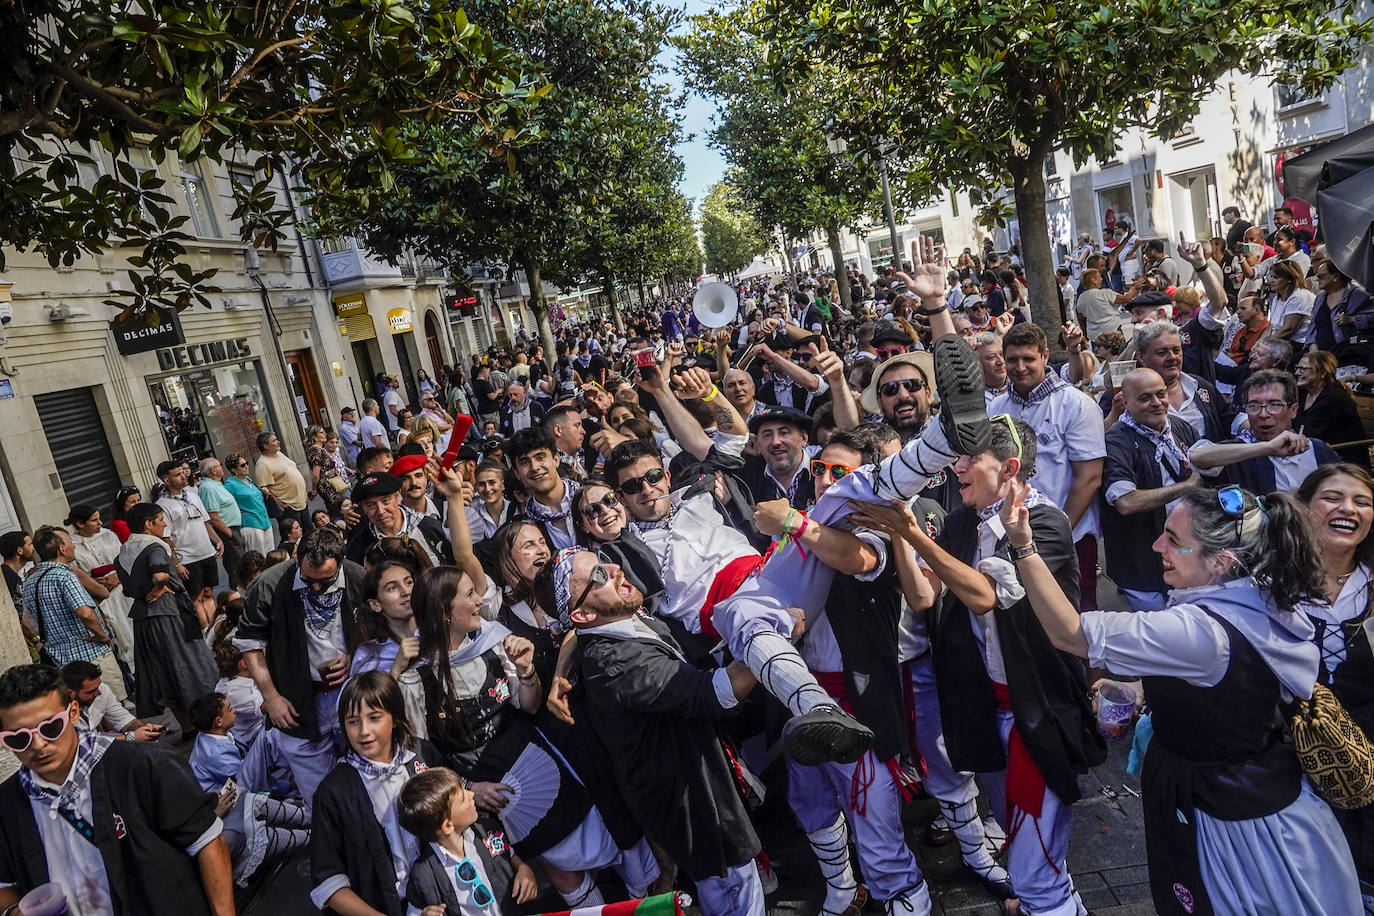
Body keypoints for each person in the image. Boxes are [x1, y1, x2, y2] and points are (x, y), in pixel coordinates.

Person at [1009, 482, 1361, 915]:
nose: (1158, 545)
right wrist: (1143, 688)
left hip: (1230, 821)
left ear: (1221, 562)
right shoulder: (1260, 592)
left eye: (1174, 541)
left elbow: (1069, 632)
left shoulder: (1201, 633)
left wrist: (1024, 547)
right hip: (1268, 797)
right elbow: (1233, 685)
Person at [850, 416, 1104, 916]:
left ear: (1009, 468)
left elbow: (988, 597)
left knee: (1032, 864)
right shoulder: (963, 517)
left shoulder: (1044, 523)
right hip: (991, 713)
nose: (956, 467)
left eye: (969, 459)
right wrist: (901, 534)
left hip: (1039, 717)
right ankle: (1051, 901)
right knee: (1029, 840)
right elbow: (925, 598)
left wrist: (914, 536)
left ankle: (1048, 904)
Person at [399, 564, 659, 909]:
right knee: (562, 868)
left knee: (613, 831)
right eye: (469, 595)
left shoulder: (493, 643)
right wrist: (468, 789)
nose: (479, 601)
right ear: (445, 612)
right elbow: (423, 762)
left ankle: (649, 902)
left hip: (547, 763)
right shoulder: (416, 684)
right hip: (498, 797)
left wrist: (525, 669)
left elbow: (530, 704)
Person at [540, 548, 767, 916]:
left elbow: (574, 631)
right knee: (734, 891)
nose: (614, 569)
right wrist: (771, 637)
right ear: (582, 613)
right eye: (598, 575)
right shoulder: (616, 664)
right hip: (691, 799)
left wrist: (560, 673)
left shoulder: (612, 618)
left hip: (698, 772)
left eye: (603, 561)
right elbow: (715, 693)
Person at [0, 663, 235, 916]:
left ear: (73, 713)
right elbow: (4, 884)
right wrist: (14, 911)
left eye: (50, 727)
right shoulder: (6, 805)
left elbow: (207, 843)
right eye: (18, 738)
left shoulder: (144, 765)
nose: (38, 744)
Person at [234, 526, 366, 812]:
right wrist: (271, 697)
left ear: (340, 564)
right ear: (297, 559)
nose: (316, 587)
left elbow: (378, 629)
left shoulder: (357, 577)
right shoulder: (269, 585)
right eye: (308, 579)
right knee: (319, 795)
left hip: (352, 693)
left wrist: (354, 655)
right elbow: (250, 644)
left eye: (326, 580)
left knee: (369, 773)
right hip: (298, 703)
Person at [1294, 464, 1374, 906]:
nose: (1348, 509)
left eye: (1362, 502)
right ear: (1304, 508)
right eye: (1332, 498)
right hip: (1289, 753)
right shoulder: (1268, 582)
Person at [990, 322, 1106, 612]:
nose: (1020, 367)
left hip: (1071, 537)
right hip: (1011, 537)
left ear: (1044, 356)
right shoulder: (996, 408)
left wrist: (1056, 531)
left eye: (1028, 358)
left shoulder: (1077, 404)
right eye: (1012, 359)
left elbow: (1089, 479)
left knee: (1077, 623)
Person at [310, 670, 438, 915]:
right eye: (353, 721)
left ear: (395, 717)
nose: (364, 731)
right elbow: (328, 882)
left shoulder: (422, 757)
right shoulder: (333, 792)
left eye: (375, 717)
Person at [1101, 369, 1202, 611]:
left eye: (1161, 394)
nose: (1156, 404)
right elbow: (1125, 502)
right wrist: (1187, 487)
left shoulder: (1179, 428)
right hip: (1142, 564)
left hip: (1185, 553)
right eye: (1145, 398)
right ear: (1126, 403)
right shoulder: (1117, 441)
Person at [116, 503, 218, 727]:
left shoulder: (123, 551)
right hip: (169, 614)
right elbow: (160, 575)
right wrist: (158, 588)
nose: (163, 524)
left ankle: (186, 725)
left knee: (165, 673)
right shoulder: (154, 546)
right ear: (148, 524)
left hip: (144, 620)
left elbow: (126, 588)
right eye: (160, 519)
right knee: (188, 665)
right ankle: (208, 719)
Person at [398, 767, 537, 916]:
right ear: (448, 825)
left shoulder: (487, 831)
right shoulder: (423, 875)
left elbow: (506, 853)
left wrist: (522, 868)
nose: (471, 794)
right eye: (463, 798)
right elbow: (414, 910)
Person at [1190, 369, 1340, 494]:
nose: (1263, 414)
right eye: (1254, 405)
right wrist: (1266, 448)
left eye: (1274, 404)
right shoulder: (1238, 451)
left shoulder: (1317, 450)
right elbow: (1196, 456)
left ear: (1293, 410)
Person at [22, 525, 124, 698]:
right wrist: (102, 635)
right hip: (91, 656)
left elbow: (29, 621)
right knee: (113, 706)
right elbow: (85, 613)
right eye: (70, 542)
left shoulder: (30, 581)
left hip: (61, 662)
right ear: (62, 548)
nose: (74, 546)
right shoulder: (65, 575)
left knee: (88, 713)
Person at [65, 502, 136, 670]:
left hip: (123, 589)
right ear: (80, 524)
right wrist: (96, 583)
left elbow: (125, 558)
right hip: (100, 596)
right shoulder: (72, 545)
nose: (99, 523)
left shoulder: (109, 535)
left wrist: (117, 576)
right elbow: (76, 573)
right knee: (120, 634)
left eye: (99, 519)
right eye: (94, 520)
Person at [156, 458, 224, 612]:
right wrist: (177, 563)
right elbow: (166, 538)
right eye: (178, 474)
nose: (183, 476)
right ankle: (205, 631)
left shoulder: (193, 496)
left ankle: (214, 629)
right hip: (187, 558)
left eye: (183, 472)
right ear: (166, 480)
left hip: (206, 552)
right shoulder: (162, 505)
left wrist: (217, 540)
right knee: (196, 597)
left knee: (208, 593)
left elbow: (205, 522)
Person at [508, 428, 581, 551]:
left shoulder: (589, 497)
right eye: (524, 462)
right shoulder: (524, 528)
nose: (534, 467)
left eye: (540, 458)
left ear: (556, 460)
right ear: (517, 473)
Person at [61, 659, 162, 741]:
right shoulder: (59, 710)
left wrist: (146, 730)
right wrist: (130, 737)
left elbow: (124, 720)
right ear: (70, 693)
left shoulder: (102, 690)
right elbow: (84, 745)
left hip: (101, 741)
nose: (98, 693)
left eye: (98, 686)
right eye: (91, 691)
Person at [1295, 350, 1364, 465]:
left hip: (1340, 459)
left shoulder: (1333, 398)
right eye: (1297, 367)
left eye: (1303, 369)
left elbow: (1311, 433)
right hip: (1314, 450)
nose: (1297, 372)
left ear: (1322, 373)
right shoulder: (1303, 392)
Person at [197, 457, 245, 595]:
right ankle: (237, 596)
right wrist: (230, 534)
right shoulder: (209, 488)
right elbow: (213, 517)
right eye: (220, 465)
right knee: (237, 566)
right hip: (227, 532)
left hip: (233, 529)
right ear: (214, 470)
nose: (221, 467)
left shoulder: (215, 484)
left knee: (240, 564)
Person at [224, 452, 275, 555]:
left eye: (246, 463)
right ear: (234, 470)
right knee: (258, 557)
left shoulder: (248, 479)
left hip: (264, 520)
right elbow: (226, 505)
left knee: (271, 555)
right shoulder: (230, 485)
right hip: (250, 524)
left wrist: (262, 490)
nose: (246, 466)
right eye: (242, 465)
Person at [467, 460, 514, 542]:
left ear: (502, 485)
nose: (487, 489)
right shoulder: (473, 515)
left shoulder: (516, 510)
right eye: (481, 484)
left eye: (492, 482)